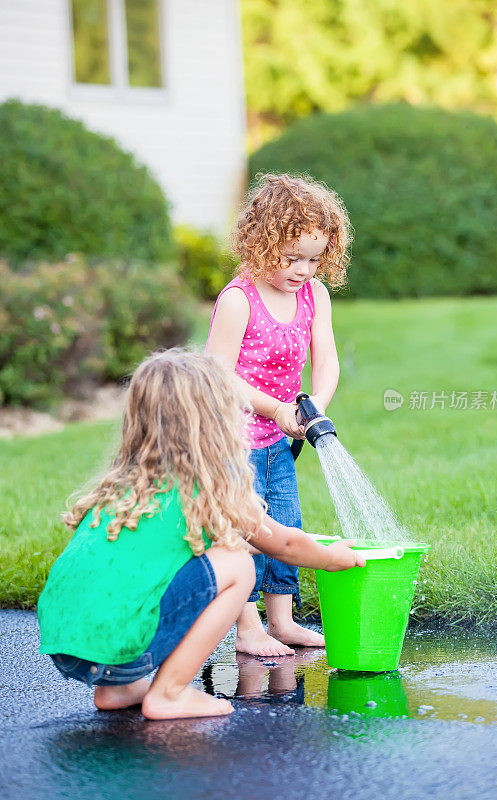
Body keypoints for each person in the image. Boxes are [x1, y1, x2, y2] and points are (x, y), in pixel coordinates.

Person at [37, 348, 364, 720]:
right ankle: (170, 693)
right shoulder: (205, 488)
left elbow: (233, 543)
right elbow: (284, 543)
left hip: (65, 645)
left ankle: (118, 690)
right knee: (238, 567)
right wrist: (332, 556)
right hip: (116, 648)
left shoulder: (126, 488)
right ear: (215, 421)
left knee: (211, 560)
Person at [207, 173, 352, 657]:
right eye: (292, 258)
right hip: (231, 442)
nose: (303, 270)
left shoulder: (314, 296)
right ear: (261, 241)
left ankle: (282, 622)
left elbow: (326, 359)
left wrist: (315, 409)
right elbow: (217, 374)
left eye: (314, 259)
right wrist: (274, 407)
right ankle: (247, 629)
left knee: (285, 525)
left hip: (277, 441)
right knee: (246, 533)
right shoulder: (238, 299)